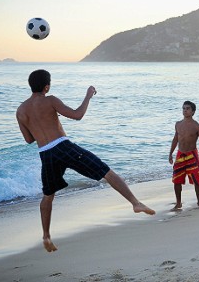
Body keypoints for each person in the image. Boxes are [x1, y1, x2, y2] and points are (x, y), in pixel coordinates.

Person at [16, 70, 155, 253]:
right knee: (106, 171)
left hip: (45, 154)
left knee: (48, 195)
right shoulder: (50, 100)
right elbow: (77, 115)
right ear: (46, 86)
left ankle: (46, 236)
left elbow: (28, 139)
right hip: (63, 147)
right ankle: (135, 203)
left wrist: (38, 124)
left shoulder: (20, 111)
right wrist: (88, 96)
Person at [168, 100, 199, 211]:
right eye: (183, 108)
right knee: (177, 180)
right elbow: (175, 139)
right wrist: (170, 154)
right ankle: (178, 203)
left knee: (197, 180)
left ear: (193, 112)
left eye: (187, 109)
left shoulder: (197, 126)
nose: (185, 110)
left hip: (192, 155)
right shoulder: (178, 124)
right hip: (180, 154)